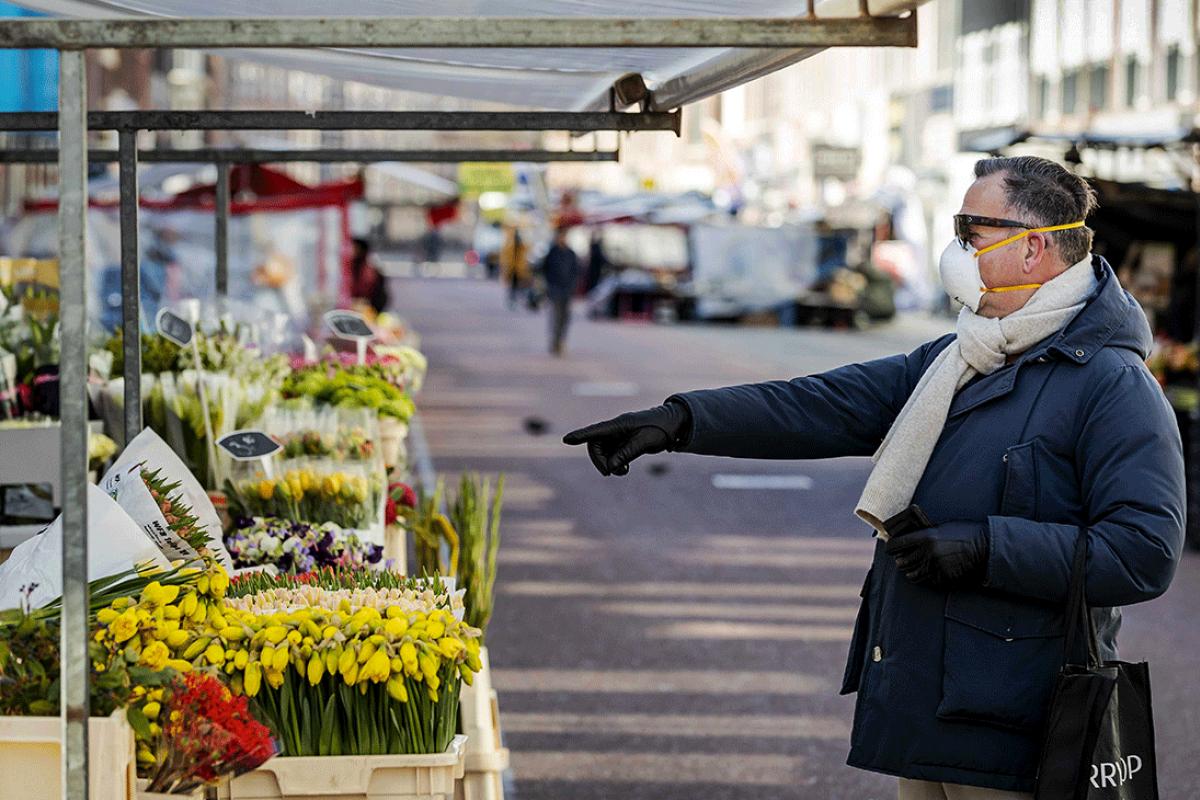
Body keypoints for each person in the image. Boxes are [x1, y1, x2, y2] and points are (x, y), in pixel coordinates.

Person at [563, 156, 1185, 799]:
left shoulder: (1112, 383)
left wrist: (984, 548)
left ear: (1032, 249)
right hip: (927, 707)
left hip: (1021, 725)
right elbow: (819, 405)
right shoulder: (964, 354)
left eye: (971, 232)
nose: (956, 250)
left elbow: (1144, 552)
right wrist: (681, 420)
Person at [540, 227, 580, 356]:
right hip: (554, 289)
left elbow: (576, 270)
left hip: (567, 290)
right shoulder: (552, 252)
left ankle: (561, 340)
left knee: (565, 318)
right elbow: (543, 269)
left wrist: (573, 285)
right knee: (556, 317)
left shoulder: (571, 253)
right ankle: (555, 342)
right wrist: (548, 284)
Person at [349, 238, 388, 314]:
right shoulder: (345, 270)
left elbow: (380, 297)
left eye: (355, 248)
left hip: (367, 312)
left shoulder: (372, 272)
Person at [499, 225, 531, 310]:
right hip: (512, 269)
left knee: (518, 287)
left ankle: (515, 300)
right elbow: (505, 256)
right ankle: (512, 300)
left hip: (519, 270)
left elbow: (527, 249)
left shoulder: (521, 247)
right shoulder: (511, 246)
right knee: (513, 287)